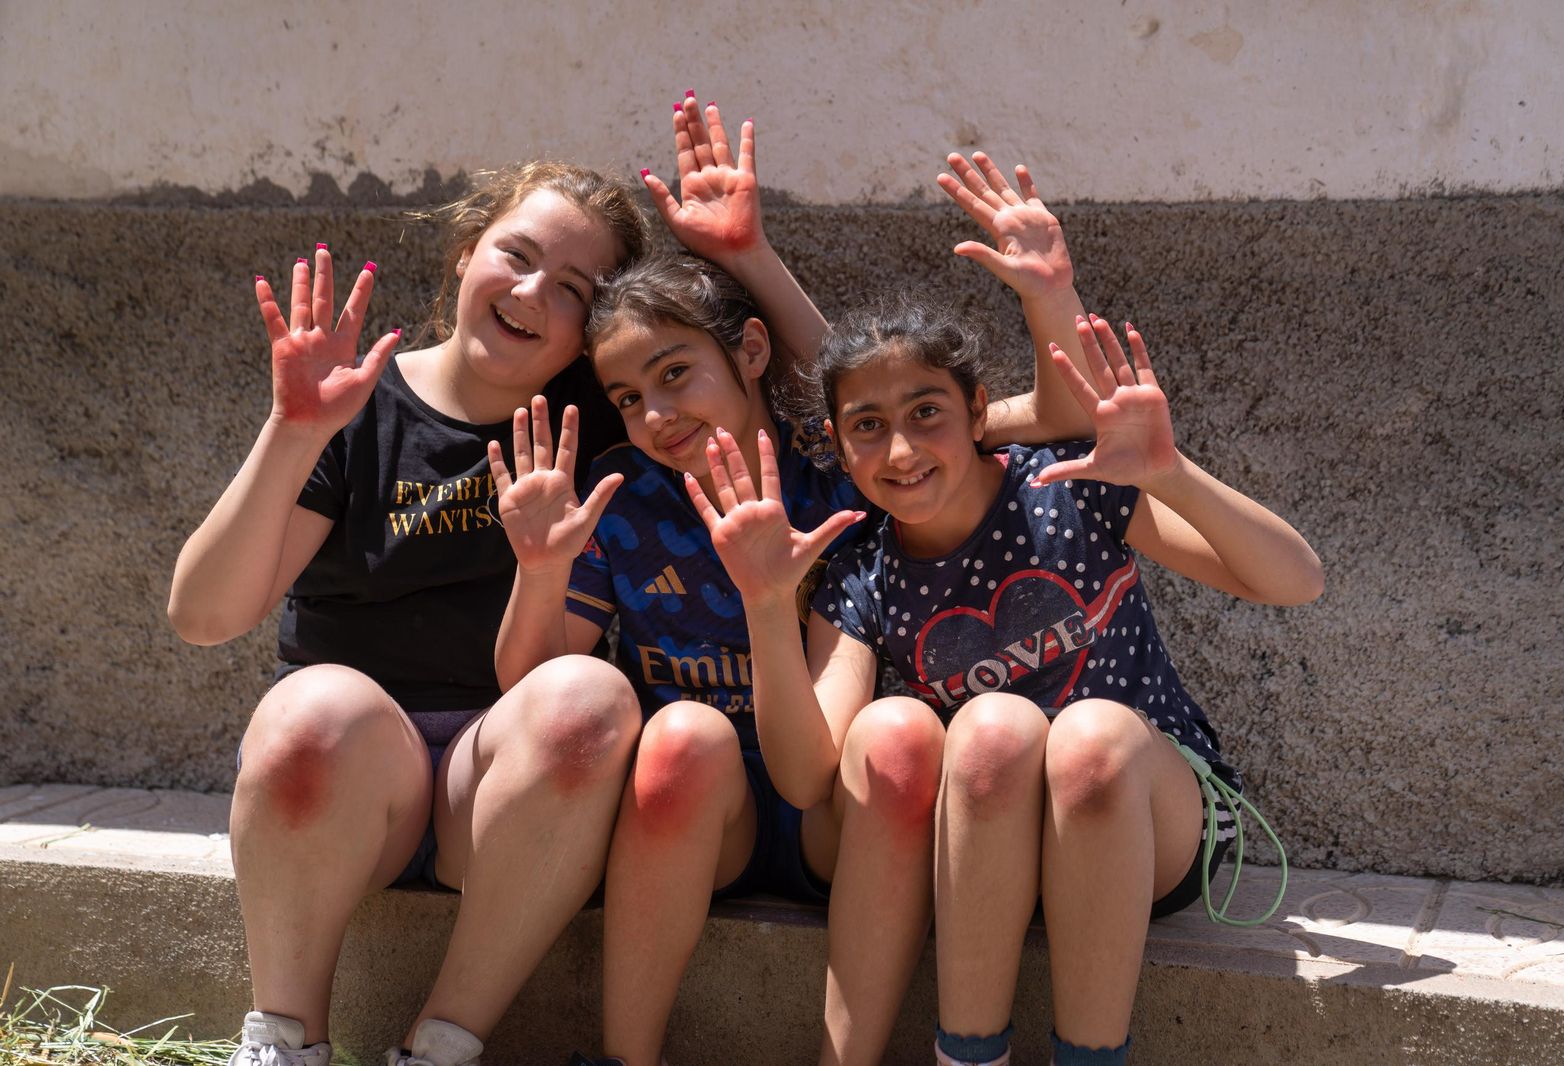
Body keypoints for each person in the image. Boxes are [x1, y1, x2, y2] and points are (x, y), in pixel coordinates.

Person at [167, 91, 815, 1066]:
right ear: (468, 249)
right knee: (313, 711)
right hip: (353, 785)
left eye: (575, 290)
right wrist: (293, 429)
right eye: (518, 255)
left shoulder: (612, 419)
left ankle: (441, 1044)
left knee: (590, 695)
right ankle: (286, 1040)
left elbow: (831, 400)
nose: (532, 293)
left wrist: (746, 256)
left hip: (518, 792)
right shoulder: (354, 402)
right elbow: (204, 615)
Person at [494, 125, 1102, 1065]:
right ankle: (625, 1058)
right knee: (688, 738)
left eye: (673, 375)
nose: (656, 415)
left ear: (745, 352)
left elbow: (1031, 414)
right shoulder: (622, 500)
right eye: (626, 397)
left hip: (837, 814)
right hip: (698, 817)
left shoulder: (845, 469)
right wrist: (538, 572)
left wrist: (748, 255)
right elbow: (534, 694)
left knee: (898, 735)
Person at [690, 303, 1324, 1066]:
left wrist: (1171, 474)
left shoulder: (1067, 487)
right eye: (866, 425)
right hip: (989, 843)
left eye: (927, 412)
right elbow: (804, 778)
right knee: (988, 730)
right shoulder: (865, 569)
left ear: (978, 411)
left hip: (1145, 818)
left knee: (1089, 738)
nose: (901, 448)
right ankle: (966, 1057)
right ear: (836, 444)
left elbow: (1294, 582)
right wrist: (765, 606)